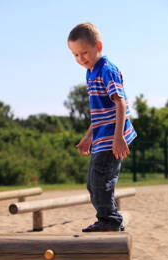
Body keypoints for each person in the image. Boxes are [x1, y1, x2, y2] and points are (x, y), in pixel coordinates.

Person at [67, 23, 137, 232]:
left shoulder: (106, 70)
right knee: (93, 181)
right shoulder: (90, 72)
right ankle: (107, 218)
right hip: (102, 137)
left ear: (98, 46)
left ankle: (110, 220)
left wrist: (118, 138)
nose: (81, 58)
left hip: (112, 137)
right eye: (75, 55)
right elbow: (100, 112)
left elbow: (120, 103)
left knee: (101, 180)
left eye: (84, 52)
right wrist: (89, 136)